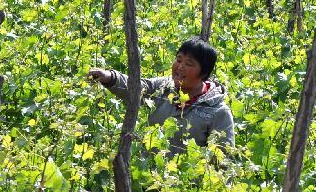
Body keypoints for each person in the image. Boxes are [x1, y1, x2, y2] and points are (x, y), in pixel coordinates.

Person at [88, 37, 234, 157]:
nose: (180, 67)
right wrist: (110, 77)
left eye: (189, 64)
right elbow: (136, 87)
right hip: (146, 180)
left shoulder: (218, 112)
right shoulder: (162, 87)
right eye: (178, 59)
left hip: (187, 189)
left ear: (204, 74)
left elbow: (223, 161)